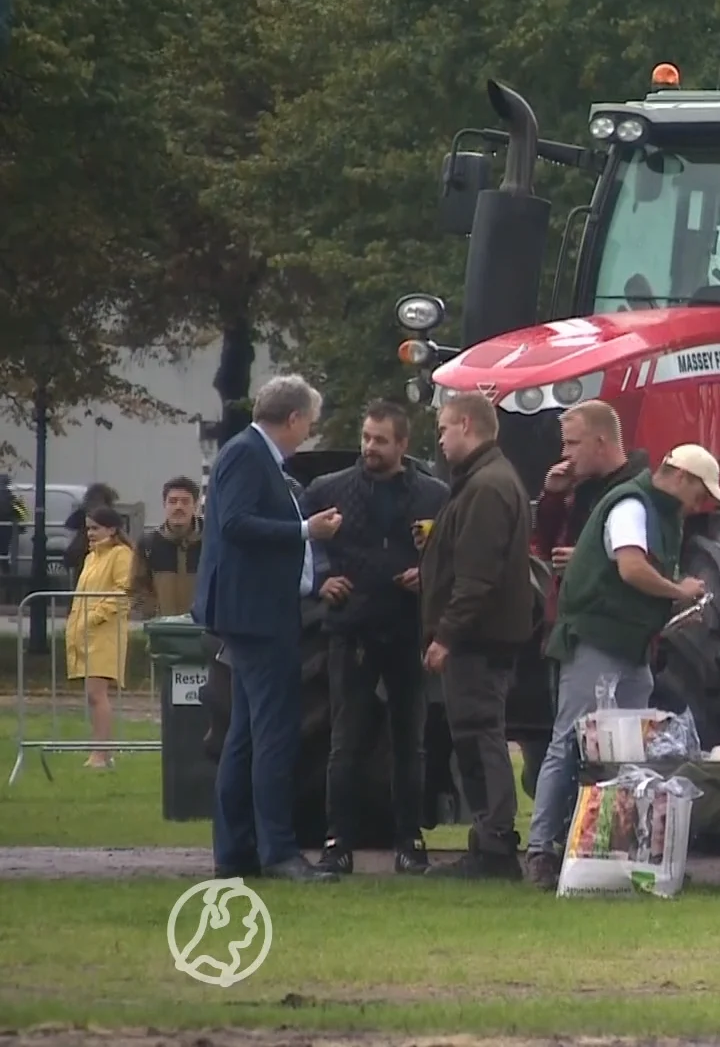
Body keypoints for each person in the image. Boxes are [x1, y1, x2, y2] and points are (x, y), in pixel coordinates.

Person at [524, 439, 720, 889]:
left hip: (629, 646)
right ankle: (541, 851)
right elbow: (630, 569)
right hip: (598, 640)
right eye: (699, 491)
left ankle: (622, 851)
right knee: (570, 739)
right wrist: (680, 591)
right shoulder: (634, 505)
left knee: (632, 751)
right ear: (682, 478)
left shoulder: (654, 509)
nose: (700, 502)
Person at [194, 374, 343, 883]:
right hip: (256, 617)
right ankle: (278, 851)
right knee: (274, 733)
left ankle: (236, 852)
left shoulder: (254, 457)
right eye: (309, 425)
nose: (308, 435)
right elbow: (234, 523)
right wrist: (306, 530)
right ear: (294, 418)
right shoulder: (246, 455)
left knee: (245, 736)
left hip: (258, 611)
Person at [304, 401, 449, 876]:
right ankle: (337, 840)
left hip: (408, 627)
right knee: (345, 739)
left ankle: (409, 838)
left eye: (381, 440)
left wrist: (428, 575)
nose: (370, 447)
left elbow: (450, 554)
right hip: (353, 627)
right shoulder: (329, 490)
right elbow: (302, 543)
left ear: (403, 444)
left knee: (411, 740)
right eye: (367, 437)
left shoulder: (433, 495)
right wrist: (320, 580)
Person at [418, 391, 536, 880]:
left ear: (466, 424)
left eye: (444, 428)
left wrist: (446, 635)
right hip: (482, 636)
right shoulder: (485, 480)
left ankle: (493, 846)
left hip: (477, 641)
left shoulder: (486, 486)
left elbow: (477, 577)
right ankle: (490, 842)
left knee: (479, 738)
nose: (440, 439)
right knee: (476, 736)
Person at [524, 400, 650, 796]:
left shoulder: (637, 492)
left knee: (593, 743)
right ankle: (559, 840)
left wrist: (589, 556)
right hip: (568, 628)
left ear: (600, 442)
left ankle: (557, 842)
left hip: (611, 633)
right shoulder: (577, 492)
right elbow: (542, 546)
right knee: (568, 740)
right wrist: (550, 498)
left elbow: (647, 559)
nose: (565, 455)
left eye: (573, 444)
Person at [66, 506, 135, 769]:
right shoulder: (91, 557)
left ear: (111, 529)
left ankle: (101, 754)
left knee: (98, 694)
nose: (90, 533)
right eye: (88, 528)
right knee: (93, 696)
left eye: (95, 528)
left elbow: (123, 593)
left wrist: (93, 617)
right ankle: (101, 751)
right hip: (87, 634)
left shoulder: (121, 555)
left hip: (104, 634)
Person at [132, 477, 204, 619]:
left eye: (185, 501)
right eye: (173, 501)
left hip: (202, 632)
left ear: (195, 506)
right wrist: (151, 615)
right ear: (164, 504)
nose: (178, 507)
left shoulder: (211, 542)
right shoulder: (148, 543)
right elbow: (137, 587)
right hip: (161, 630)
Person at [62, 483, 119, 577]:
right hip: (88, 552)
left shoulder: (84, 512)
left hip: (82, 553)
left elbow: (69, 524)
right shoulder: (109, 515)